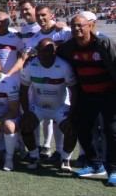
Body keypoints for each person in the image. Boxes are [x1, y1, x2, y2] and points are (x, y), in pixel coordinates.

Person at [56, 14, 116, 184]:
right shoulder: (68, 48)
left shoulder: (104, 44)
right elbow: (55, 54)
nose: (77, 29)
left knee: (112, 132)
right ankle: (95, 164)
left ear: (90, 25)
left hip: (109, 94)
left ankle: (114, 168)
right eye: (74, 26)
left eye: (81, 26)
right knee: (84, 129)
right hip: (86, 95)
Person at [20, 39, 77, 171]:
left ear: (54, 52)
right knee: (25, 125)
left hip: (59, 107)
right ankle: (34, 156)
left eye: (46, 51)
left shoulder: (64, 66)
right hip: (38, 107)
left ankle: (65, 159)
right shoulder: (30, 65)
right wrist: (27, 113)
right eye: (40, 51)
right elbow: (23, 91)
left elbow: (74, 92)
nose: (42, 54)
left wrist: (70, 115)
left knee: (71, 129)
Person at [0, 12, 25, 80]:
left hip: (12, 77)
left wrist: (9, 74)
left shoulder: (16, 38)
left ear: (7, 23)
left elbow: (22, 58)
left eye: (2, 22)